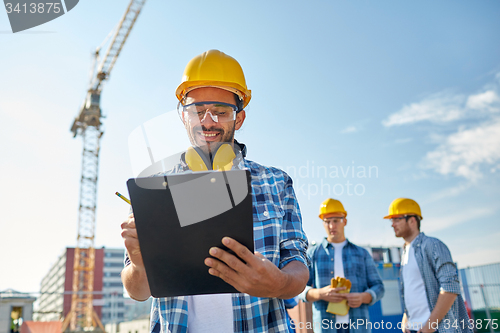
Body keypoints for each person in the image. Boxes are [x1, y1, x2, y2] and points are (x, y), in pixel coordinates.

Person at [120, 49, 309, 333]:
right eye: (197, 111)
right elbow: (138, 291)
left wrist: (279, 284)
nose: (208, 122)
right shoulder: (152, 188)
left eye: (220, 112)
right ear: (183, 117)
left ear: (239, 119)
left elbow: (297, 263)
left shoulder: (277, 183)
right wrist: (139, 263)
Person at [384, 198, 472, 333]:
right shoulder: (405, 252)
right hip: (415, 328)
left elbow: (450, 288)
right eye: (391, 220)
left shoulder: (433, 245)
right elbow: (413, 290)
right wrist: (406, 318)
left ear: (412, 220)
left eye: (396, 219)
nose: (392, 224)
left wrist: (429, 327)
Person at [298, 198, 384, 333]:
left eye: (336, 221)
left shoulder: (362, 254)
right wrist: (320, 293)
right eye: (327, 222)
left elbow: (379, 287)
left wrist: (363, 297)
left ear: (345, 221)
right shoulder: (312, 254)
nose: (331, 226)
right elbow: (299, 289)